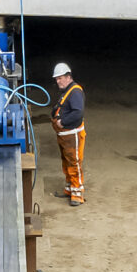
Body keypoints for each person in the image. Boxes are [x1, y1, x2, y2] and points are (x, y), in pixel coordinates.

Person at [50, 62, 86, 207]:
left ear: (68, 76)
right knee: (67, 162)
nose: (58, 81)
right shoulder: (68, 90)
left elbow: (78, 112)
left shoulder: (75, 92)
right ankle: (69, 189)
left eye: (60, 78)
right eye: (56, 79)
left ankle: (77, 195)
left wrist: (62, 122)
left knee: (74, 163)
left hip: (72, 134)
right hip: (65, 136)